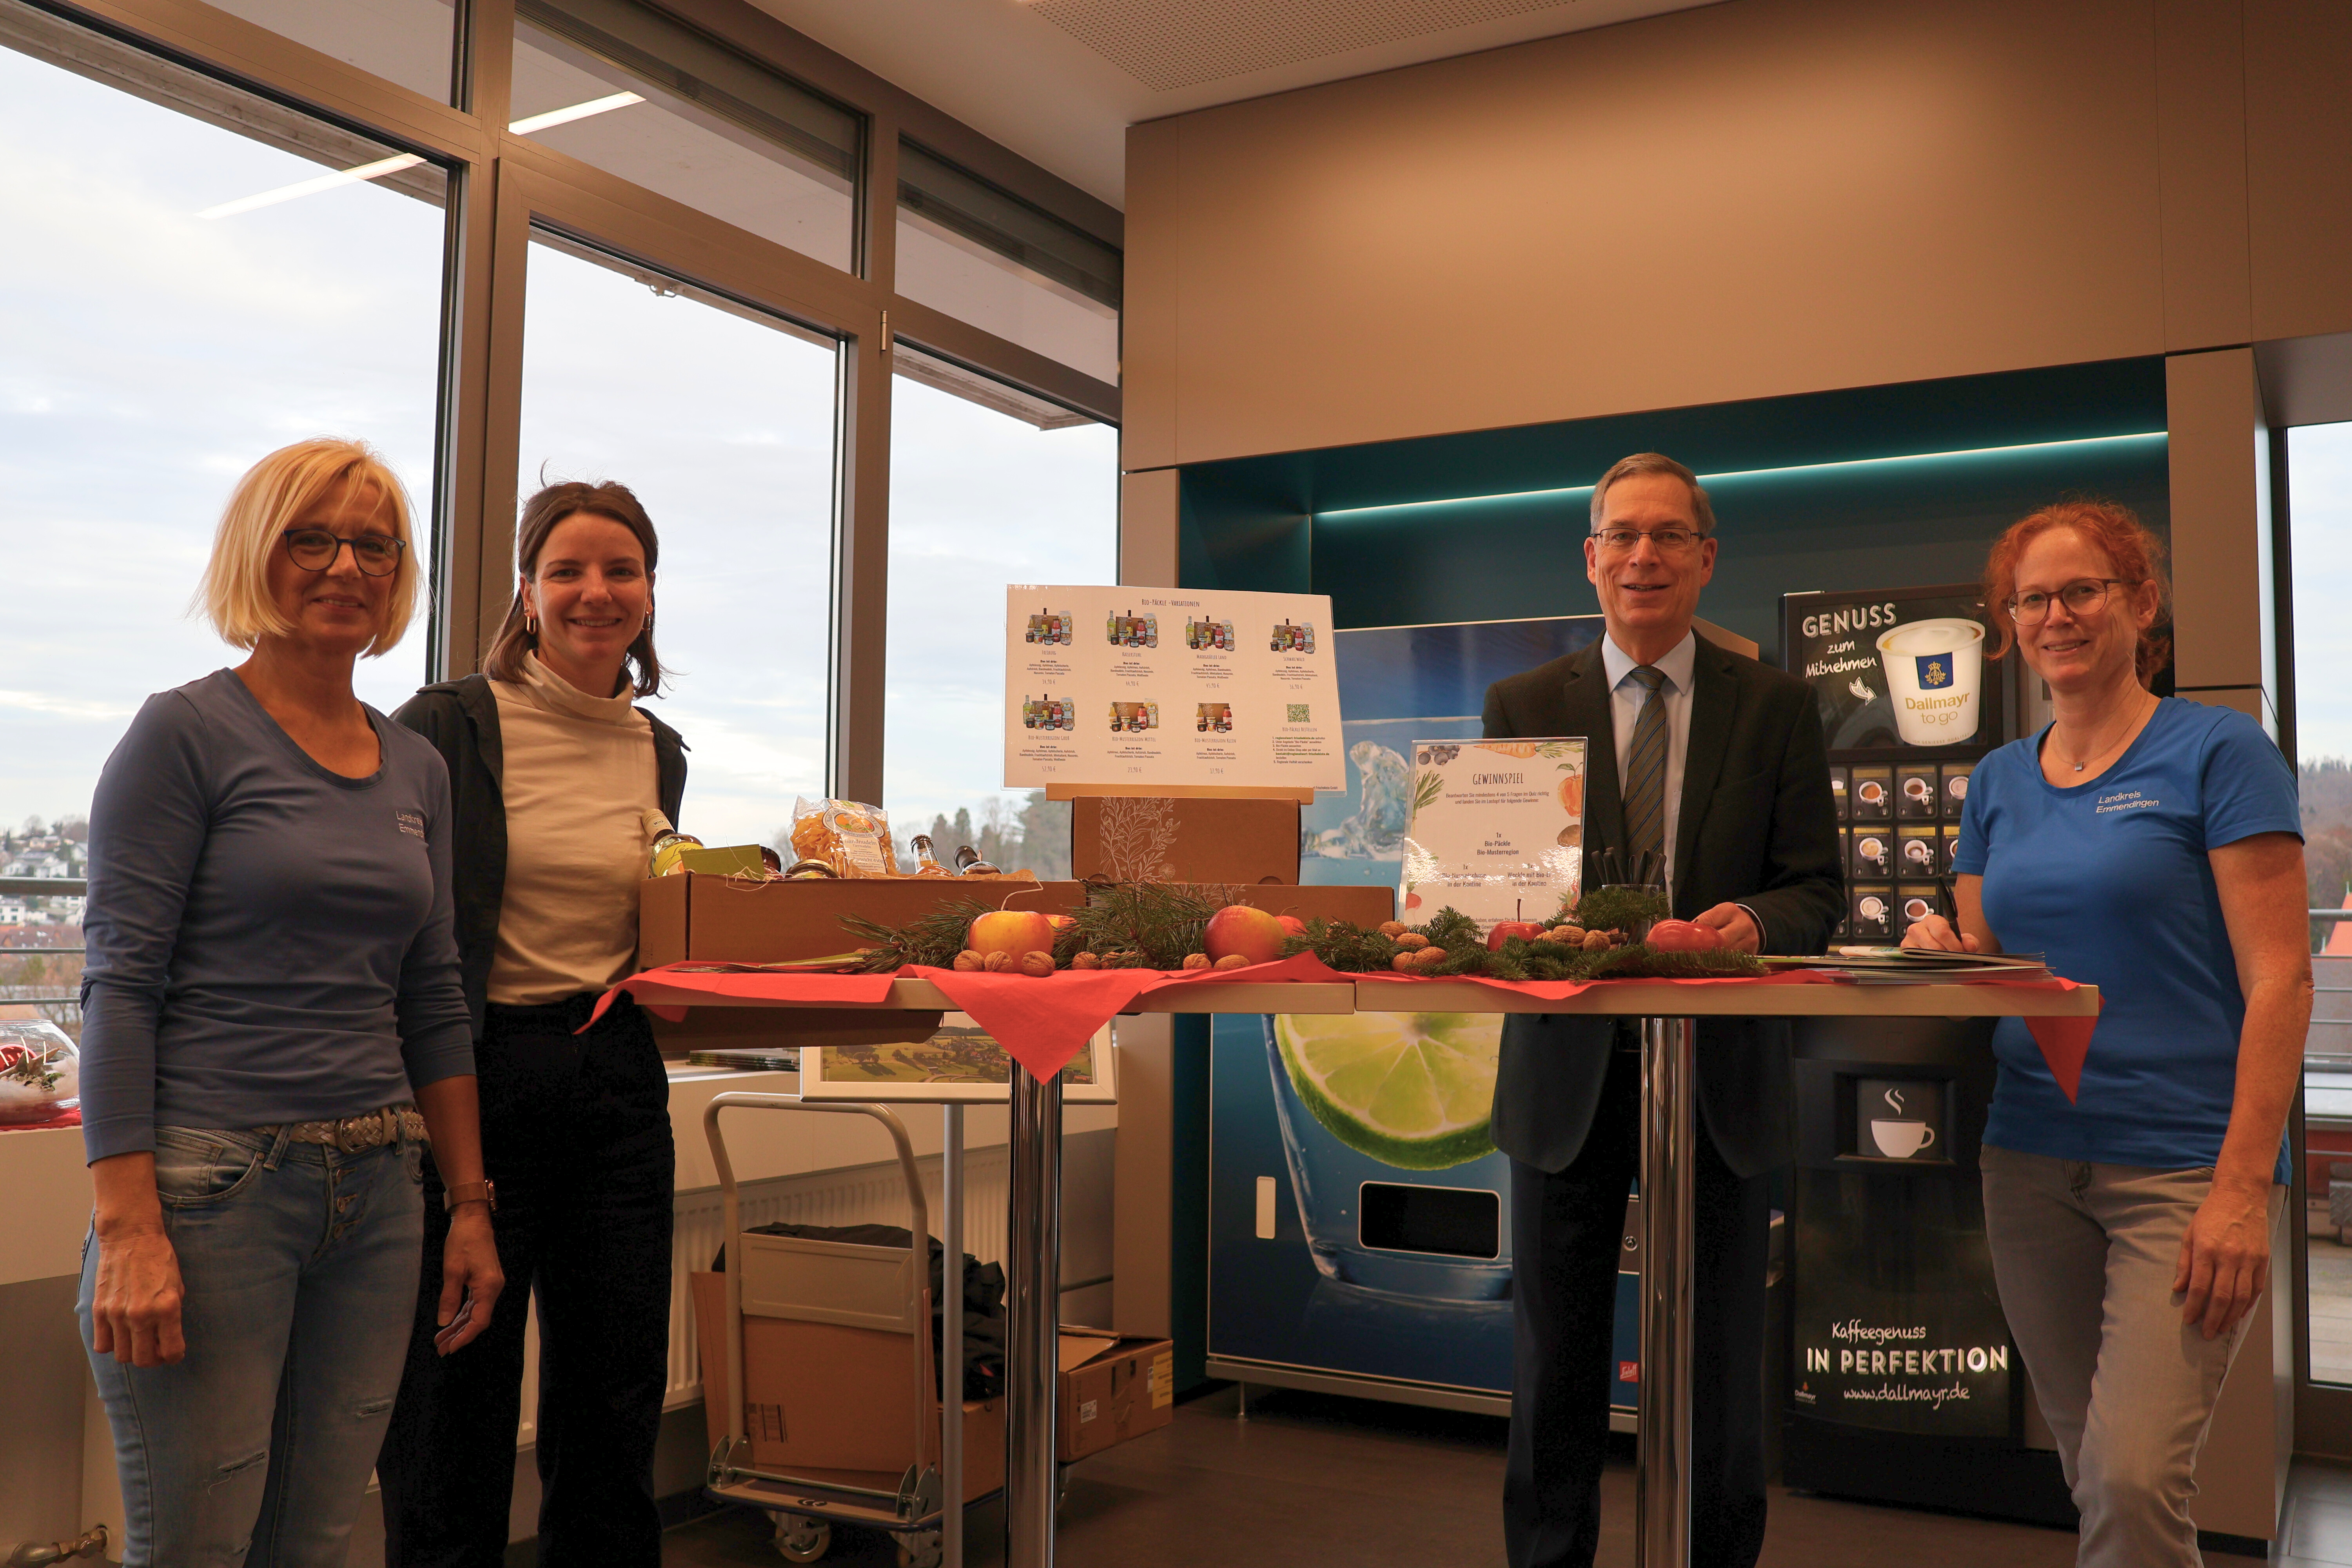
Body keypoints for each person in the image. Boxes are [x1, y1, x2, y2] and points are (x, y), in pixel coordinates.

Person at [76, 438, 502, 1566]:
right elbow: (119, 983)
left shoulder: (417, 768)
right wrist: (127, 1229)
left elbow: (433, 996)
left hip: (381, 1188)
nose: (343, 565)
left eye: (373, 544)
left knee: (313, 1539)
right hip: (217, 1190)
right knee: (195, 1546)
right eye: (310, 537)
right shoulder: (185, 733)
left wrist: (468, 1202)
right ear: (256, 556)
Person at [1904, 500, 2308, 1567]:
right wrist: (1944, 946)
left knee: (2133, 1481)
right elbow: (1998, 958)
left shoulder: (2219, 752)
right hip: (2028, 1162)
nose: (2057, 616)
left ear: (2141, 601)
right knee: (2096, 1472)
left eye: (2083, 590)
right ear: (2009, 623)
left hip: (2179, 1168)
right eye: (2032, 599)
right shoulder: (1995, 780)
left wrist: (2240, 1188)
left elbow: (2282, 979)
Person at [1483, 452, 1842, 1568]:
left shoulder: (1777, 705)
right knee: (1554, 1369)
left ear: (1706, 558)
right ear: (1590, 559)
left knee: (1721, 1370)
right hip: (1565, 1074)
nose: (1644, 556)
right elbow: (1495, 891)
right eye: (1622, 536)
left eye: (1668, 536)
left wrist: (1744, 919)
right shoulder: (1523, 705)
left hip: (1720, 1081)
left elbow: (1817, 892)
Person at [377, 481, 687, 1568]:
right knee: (453, 1405)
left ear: (651, 592)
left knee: (614, 1401)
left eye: (621, 570)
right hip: (478, 1083)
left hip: (615, 1076)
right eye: (568, 570)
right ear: (527, 589)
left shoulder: (660, 748)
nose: (596, 593)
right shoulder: (447, 727)